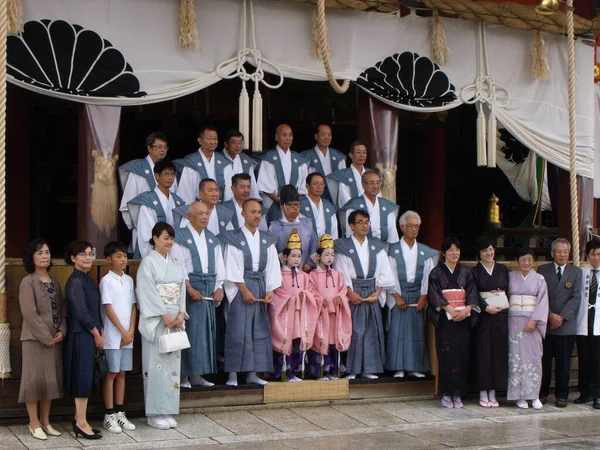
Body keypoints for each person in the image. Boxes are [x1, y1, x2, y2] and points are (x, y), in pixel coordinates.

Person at [219, 199, 282, 387]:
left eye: (259, 212)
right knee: (238, 331)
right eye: (252, 212)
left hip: (261, 284)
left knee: (259, 330)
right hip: (240, 286)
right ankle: (232, 374)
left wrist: (270, 289)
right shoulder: (234, 238)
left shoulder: (267, 239)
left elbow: (272, 266)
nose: (256, 215)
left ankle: (253, 372)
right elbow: (231, 265)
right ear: (243, 214)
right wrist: (244, 290)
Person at [136, 222, 188, 430]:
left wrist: (181, 312)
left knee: (172, 366)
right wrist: (164, 314)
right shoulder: (147, 263)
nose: (169, 242)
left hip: (175, 318)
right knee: (155, 365)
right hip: (158, 320)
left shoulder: (175, 262)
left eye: (172, 239)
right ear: (155, 238)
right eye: (166, 238)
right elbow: (146, 290)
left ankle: (168, 409)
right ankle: (154, 412)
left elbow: (181, 288)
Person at [333, 210, 395, 380]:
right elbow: (340, 271)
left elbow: (384, 271)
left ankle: (369, 368)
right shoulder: (343, 246)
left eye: (367, 222)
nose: (365, 225)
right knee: (354, 330)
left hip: (372, 290)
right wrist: (349, 292)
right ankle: (351, 369)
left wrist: (379, 291)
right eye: (360, 222)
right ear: (351, 226)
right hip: (353, 290)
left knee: (371, 330)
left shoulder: (377, 246)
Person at [171, 202, 226, 388]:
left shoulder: (212, 239)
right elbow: (178, 266)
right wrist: (188, 288)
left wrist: (220, 287)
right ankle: (183, 376)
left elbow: (219, 266)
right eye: (200, 213)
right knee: (189, 331)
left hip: (208, 288)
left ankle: (197, 374)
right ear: (189, 216)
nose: (204, 217)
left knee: (205, 334)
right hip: (190, 288)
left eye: (207, 214)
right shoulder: (180, 237)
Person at [18, 239, 66, 441]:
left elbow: (63, 310)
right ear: (32, 257)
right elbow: (29, 313)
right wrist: (45, 336)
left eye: (47, 252)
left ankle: (46, 421)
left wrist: (61, 331)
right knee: (33, 380)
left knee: (49, 381)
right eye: (39, 253)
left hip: (54, 340)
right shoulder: (27, 282)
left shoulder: (55, 282)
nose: (45, 256)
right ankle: (33, 422)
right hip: (34, 339)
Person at [427, 237, 479, 409]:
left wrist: (466, 310)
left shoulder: (466, 272)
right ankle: (447, 394)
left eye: (457, 250)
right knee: (447, 356)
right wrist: (448, 309)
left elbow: (472, 293)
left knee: (462, 356)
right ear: (443, 253)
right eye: (450, 250)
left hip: (463, 320)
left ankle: (458, 394)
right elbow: (434, 295)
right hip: (446, 321)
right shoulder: (436, 272)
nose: (454, 253)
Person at [385, 211, 438, 379]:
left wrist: (424, 295)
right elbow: (389, 274)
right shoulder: (392, 250)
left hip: (417, 295)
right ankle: (398, 367)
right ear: (402, 227)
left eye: (416, 226)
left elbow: (429, 276)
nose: (414, 229)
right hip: (398, 294)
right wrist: (396, 295)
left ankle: (415, 367)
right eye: (410, 226)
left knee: (417, 331)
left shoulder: (425, 251)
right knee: (397, 331)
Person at [63, 240, 103, 439]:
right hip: (81, 335)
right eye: (83, 254)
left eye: (90, 253)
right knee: (82, 377)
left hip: (88, 334)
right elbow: (81, 312)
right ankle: (81, 422)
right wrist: (96, 333)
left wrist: (98, 332)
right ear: (73, 258)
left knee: (86, 377)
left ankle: (80, 418)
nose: (88, 257)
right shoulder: (76, 281)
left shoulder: (86, 278)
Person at [269, 230, 319, 381]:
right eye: (293, 256)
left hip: (299, 313)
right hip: (285, 313)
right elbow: (276, 292)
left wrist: (306, 295)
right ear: (285, 257)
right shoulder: (279, 274)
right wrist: (288, 299)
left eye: (299, 256)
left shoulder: (304, 276)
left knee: (297, 342)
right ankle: (282, 373)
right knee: (284, 341)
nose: (297, 259)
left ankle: (295, 372)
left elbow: (311, 291)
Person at [538, 238, 582, 407]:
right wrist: (549, 315)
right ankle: (542, 393)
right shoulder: (543, 270)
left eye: (565, 251)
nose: (562, 255)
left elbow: (576, 297)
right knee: (545, 361)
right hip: (547, 323)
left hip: (566, 325)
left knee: (564, 363)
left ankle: (562, 395)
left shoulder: (575, 272)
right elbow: (540, 296)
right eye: (559, 251)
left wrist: (561, 317)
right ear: (552, 253)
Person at [99, 241, 137, 433]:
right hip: (114, 336)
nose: (123, 259)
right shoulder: (106, 281)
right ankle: (109, 414)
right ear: (108, 260)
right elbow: (108, 308)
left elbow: (132, 307)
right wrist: (122, 332)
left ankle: (120, 412)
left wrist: (130, 331)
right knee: (112, 373)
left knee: (122, 373)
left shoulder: (129, 280)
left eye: (125, 256)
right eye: (119, 256)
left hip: (127, 336)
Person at [119, 132, 176, 253]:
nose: (162, 150)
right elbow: (127, 204)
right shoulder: (137, 170)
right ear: (149, 148)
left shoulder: (170, 171)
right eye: (159, 146)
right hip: (144, 226)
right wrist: (137, 226)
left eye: (165, 147)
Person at [507, 247, 548, 409]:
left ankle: (534, 395)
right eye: (523, 259)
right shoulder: (510, 277)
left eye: (529, 259)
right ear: (517, 261)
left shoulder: (539, 279)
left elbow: (543, 302)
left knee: (534, 358)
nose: (526, 262)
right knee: (515, 358)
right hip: (514, 323)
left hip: (532, 323)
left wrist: (534, 320)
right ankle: (519, 396)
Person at [471, 237, 509, 408]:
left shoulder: (502, 269)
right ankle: (482, 391)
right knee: (484, 353)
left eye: (491, 249)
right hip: (484, 317)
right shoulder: (474, 272)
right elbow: (472, 293)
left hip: (500, 315)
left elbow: (507, 289)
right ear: (479, 254)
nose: (489, 253)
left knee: (498, 353)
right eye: (485, 250)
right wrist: (485, 307)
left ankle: (493, 391)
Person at [308, 234, 352, 380]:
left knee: (335, 340)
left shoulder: (338, 274)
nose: (330, 257)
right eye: (326, 254)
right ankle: (321, 372)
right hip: (321, 313)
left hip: (335, 314)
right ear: (318, 256)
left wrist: (340, 296)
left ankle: (335, 370)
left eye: (332, 254)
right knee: (321, 340)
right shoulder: (313, 275)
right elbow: (311, 291)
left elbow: (343, 289)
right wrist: (320, 300)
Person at [128, 160, 186, 258]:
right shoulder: (147, 200)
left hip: (173, 252)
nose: (170, 177)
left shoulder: (178, 201)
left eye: (172, 174)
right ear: (157, 176)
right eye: (166, 174)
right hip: (153, 252)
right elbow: (145, 233)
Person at [256, 124, 310, 216]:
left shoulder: (299, 160)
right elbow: (265, 185)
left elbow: (303, 186)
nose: (288, 138)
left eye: (290, 135)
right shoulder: (269, 158)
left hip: (295, 206)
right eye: (284, 135)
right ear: (276, 137)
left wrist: (293, 203)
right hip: (273, 204)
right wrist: (281, 202)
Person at [175, 125, 232, 205]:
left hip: (219, 208)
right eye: (209, 138)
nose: (213, 142)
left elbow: (229, 192)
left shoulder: (224, 162)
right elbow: (186, 193)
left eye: (215, 139)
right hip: (198, 209)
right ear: (200, 141)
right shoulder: (191, 162)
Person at [575, 240, 600, 409]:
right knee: (584, 359)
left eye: (599, 255)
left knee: (598, 361)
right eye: (593, 254)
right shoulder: (581, 273)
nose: (596, 258)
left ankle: (597, 394)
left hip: (598, 322)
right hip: (583, 321)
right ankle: (584, 393)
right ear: (588, 256)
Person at [269, 185, 317, 271]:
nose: (295, 208)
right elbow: (271, 253)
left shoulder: (307, 224)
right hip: (283, 273)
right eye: (291, 205)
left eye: (297, 205)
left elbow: (314, 246)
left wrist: (309, 264)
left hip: (305, 273)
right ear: (282, 207)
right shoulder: (274, 227)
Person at [341, 172, 399, 243]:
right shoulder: (354, 206)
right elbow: (350, 233)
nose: (375, 186)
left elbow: (393, 235)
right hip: (361, 248)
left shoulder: (386, 206)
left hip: (383, 249)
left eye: (378, 183)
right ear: (363, 185)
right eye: (371, 183)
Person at [303, 124, 346, 204]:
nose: (327, 137)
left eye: (329, 135)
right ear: (316, 137)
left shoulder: (338, 156)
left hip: (334, 198)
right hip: (312, 197)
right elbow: (303, 181)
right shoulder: (306, 156)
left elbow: (343, 183)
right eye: (323, 134)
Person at [327, 140, 373, 209]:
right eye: (358, 152)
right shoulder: (344, 176)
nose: (362, 155)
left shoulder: (371, 174)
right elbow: (345, 201)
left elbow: (377, 195)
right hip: (354, 214)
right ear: (351, 155)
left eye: (364, 152)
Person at [221, 129, 260, 202]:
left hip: (243, 204)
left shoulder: (246, 161)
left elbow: (252, 184)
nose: (238, 146)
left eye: (240, 143)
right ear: (226, 144)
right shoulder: (218, 159)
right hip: (223, 203)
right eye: (234, 143)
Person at [301, 172, 338, 239]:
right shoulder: (301, 205)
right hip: (308, 245)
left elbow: (334, 230)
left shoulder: (328, 205)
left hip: (327, 245)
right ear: (307, 186)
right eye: (316, 184)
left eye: (322, 184)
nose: (319, 187)